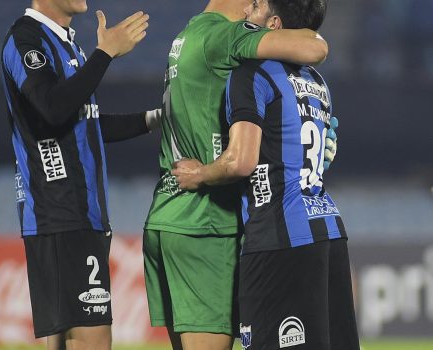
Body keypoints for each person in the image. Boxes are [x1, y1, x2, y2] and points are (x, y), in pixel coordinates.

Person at [142, 0, 337, 349]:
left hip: (169, 210)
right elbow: (314, 46)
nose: (253, 8)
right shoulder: (227, 37)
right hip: (206, 222)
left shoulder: (189, 33)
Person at [0, 1, 158, 349]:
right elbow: (53, 108)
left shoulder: (70, 43)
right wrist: (104, 54)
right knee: (94, 341)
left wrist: (153, 119)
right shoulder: (25, 39)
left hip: (77, 216)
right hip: (59, 213)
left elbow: (84, 124)